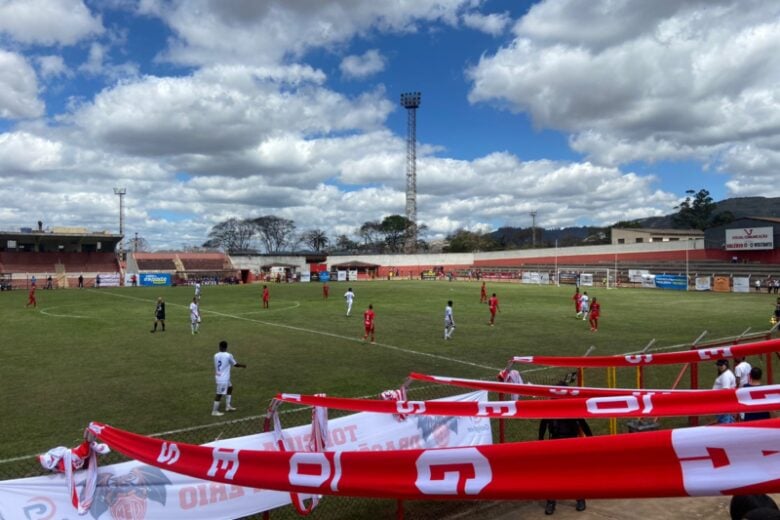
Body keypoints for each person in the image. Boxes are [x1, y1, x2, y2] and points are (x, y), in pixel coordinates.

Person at [539, 395, 593, 515]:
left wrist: (592, 440)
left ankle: (580, 498)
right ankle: (551, 502)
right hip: (555, 444)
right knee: (553, 474)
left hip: (572, 444)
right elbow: (543, 424)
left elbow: (583, 423)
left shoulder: (572, 408)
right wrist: (540, 441)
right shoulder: (550, 410)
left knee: (574, 472)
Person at [211, 340, 246, 416]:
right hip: (223, 379)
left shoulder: (215, 355)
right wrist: (243, 366)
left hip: (220, 376)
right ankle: (214, 411)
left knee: (230, 388)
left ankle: (228, 406)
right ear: (226, 347)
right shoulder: (228, 355)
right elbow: (235, 364)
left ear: (219, 347)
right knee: (219, 394)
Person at [713, 359, 737, 423]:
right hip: (726, 404)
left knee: (725, 424)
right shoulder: (727, 373)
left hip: (723, 405)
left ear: (725, 365)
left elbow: (725, 391)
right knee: (729, 424)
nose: (719, 367)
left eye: (721, 365)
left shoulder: (725, 375)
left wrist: (723, 407)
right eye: (718, 365)